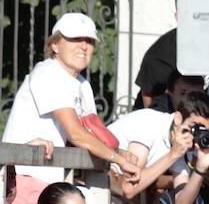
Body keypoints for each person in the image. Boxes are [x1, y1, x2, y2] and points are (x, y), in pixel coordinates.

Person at [1, 13, 143, 185]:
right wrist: (119, 160)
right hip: (23, 179)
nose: (84, 46)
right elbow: (76, 134)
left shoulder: (82, 84)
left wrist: (119, 152)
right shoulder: (48, 73)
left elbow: (90, 134)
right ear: (55, 45)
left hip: (53, 181)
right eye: (75, 39)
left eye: (89, 41)